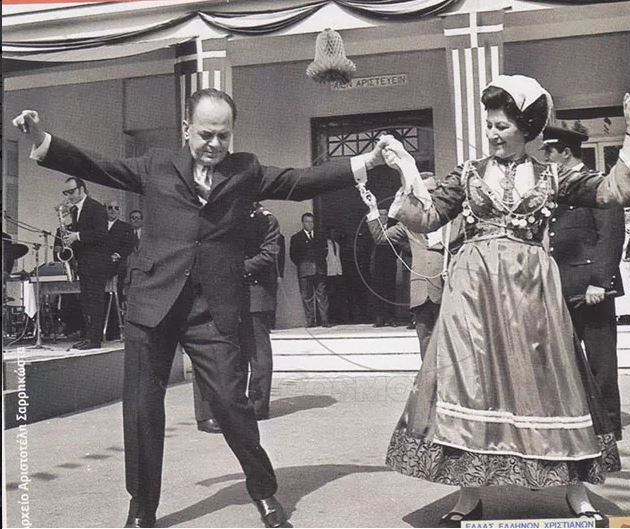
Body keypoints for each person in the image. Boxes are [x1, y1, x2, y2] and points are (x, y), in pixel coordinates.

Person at [11, 87, 388, 528]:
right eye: (207, 134)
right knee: (142, 409)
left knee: (230, 402)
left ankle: (263, 490)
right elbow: (100, 166)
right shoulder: (156, 164)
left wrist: (368, 162)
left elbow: (298, 181)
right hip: (152, 303)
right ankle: (142, 507)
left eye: (223, 135)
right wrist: (41, 138)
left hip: (212, 307)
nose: (215, 144)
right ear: (187, 129)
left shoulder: (244, 170)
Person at [382, 75, 630, 524]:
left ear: (526, 128)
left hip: (532, 292)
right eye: (489, 125)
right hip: (473, 293)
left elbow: (614, 191)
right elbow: (427, 218)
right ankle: (468, 494)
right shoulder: (468, 174)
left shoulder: (553, 175)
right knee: (470, 382)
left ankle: (575, 489)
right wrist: (407, 168)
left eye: (502, 126)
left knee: (551, 380)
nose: (492, 133)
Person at [543, 126, 626, 441]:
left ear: (565, 152)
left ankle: (609, 427)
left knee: (601, 361)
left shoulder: (597, 184)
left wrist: (600, 282)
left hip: (591, 290)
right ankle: (576, 421)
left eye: (549, 152)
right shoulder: (554, 189)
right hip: (560, 288)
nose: (546, 158)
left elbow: (610, 236)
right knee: (564, 360)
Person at [195, 202, 285, 432]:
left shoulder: (266, 219)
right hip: (234, 295)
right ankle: (241, 406)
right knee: (238, 355)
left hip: (256, 295)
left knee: (258, 355)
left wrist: (236, 268)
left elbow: (268, 255)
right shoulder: (233, 215)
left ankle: (258, 407)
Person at [360, 176, 463, 358]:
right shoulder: (410, 223)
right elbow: (381, 237)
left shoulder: (454, 220)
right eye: (423, 193)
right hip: (421, 292)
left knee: (451, 341)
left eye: (432, 192)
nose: (428, 197)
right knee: (425, 342)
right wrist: (373, 208)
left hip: (448, 289)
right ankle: (428, 376)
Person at [58, 177, 112, 350]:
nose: (68, 196)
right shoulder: (75, 211)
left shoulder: (96, 208)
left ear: (82, 189)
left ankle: (95, 340)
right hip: (84, 263)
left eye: (71, 192)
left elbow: (101, 233)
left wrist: (77, 236)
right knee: (86, 303)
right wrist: (68, 235)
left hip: (96, 263)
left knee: (95, 302)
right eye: (66, 193)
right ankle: (87, 337)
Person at [289, 212, 331, 328]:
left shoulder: (320, 236)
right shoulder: (296, 238)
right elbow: (293, 255)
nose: (310, 224)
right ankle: (310, 321)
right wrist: (303, 265)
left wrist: (318, 264)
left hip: (319, 270)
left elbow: (325, 252)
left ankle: (324, 320)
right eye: (307, 222)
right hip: (304, 271)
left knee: (322, 295)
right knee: (307, 297)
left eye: (311, 222)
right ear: (303, 223)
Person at [106, 199, 135, 340]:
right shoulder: (99, 225)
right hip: (99, 266)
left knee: (113, 296)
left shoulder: (125, 227)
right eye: (110, 207)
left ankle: (113, 331)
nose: (113, 210)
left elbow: (130, 245)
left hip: (117, 267)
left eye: (116, 208)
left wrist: (117, 255)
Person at [369, 208, 399, 327]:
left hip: (390, 264)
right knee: (378, 291)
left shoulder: (393, 229)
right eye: (381, 214)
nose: (383, 217)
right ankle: (379, 318)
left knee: (390, 291)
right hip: (376, 265)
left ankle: (391, 318)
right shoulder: (373, 229)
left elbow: (398, 245)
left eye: (385, 214)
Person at [325, 227, 344, 325]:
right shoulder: (326, 244)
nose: (333, 234)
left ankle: (337, 317)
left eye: (335, 232)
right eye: (331, 232)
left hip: (337, 272)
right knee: (330, 296)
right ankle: (330, 317)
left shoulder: (337, 244)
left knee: (337, 296)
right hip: (329, 272)